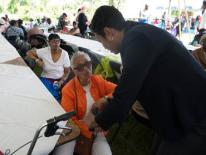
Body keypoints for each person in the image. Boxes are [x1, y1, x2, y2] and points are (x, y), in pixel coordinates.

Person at [84, 5, 206, 155]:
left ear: (109, 33)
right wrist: (109, 102)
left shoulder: (137, 39)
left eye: (100, 40)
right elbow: (135, 84)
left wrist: (100, 121)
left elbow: (127, 92)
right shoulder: (135, 36)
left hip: (196, 114)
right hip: (178, 113)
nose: (103, 47)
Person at [53, 51, 115, 155]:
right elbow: (69, 120)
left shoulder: (98, 80)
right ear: (74, 71)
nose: (86, 69)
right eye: (80, 67)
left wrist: (104, 98)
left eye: (88, 64)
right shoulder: (68, 90)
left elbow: (120, 90)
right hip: (74, 130)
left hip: (97, 130)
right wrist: (89, 129)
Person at [27, 33, 70, 101]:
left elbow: (67, 72)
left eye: (58, 41)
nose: (56, 44)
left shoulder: (64, 54)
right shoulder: (44, 51)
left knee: (53, 99)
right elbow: (29, 52)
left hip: (58, 82)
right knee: (41, 97)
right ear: (49, 42)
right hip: (46, 79)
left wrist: (61, 81)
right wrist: (37, 60)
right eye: (53, 42)